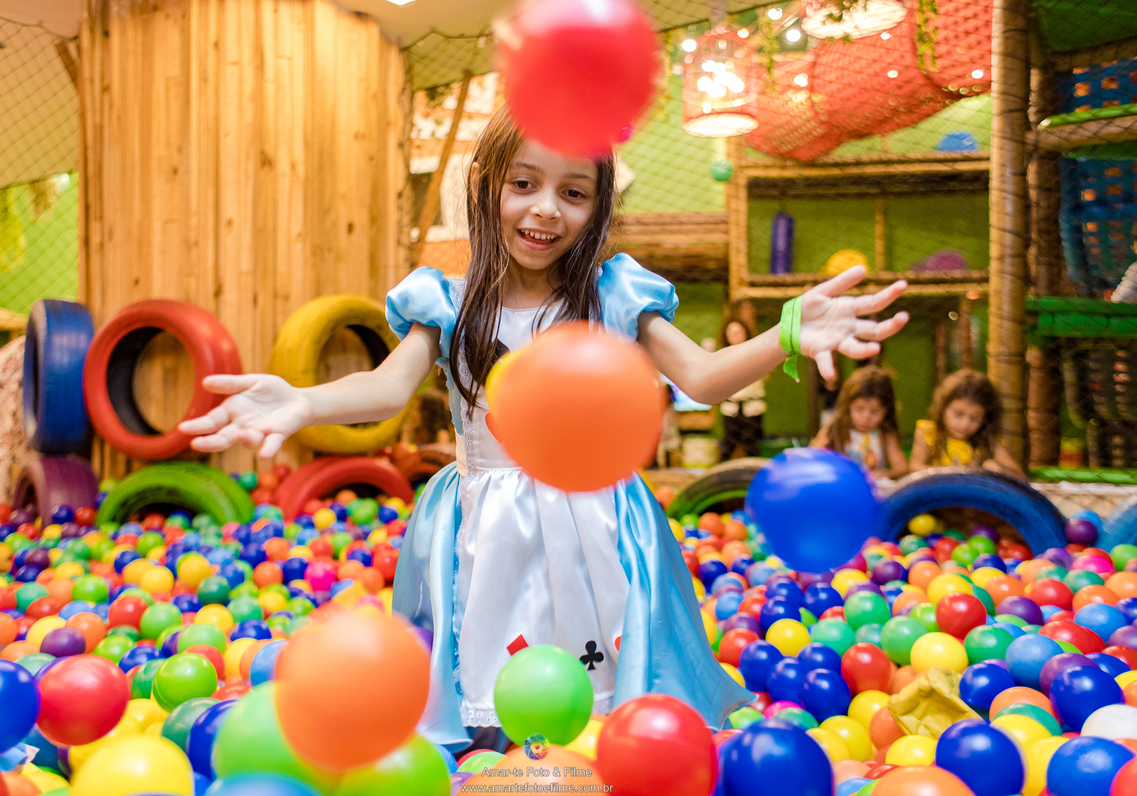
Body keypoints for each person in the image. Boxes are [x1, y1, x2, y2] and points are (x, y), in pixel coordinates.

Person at [178, 107, 909, 747]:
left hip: (595, 521)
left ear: (598, 206)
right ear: (485, 185)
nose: (546, 210)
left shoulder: (613, 295)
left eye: (573, 193)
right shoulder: (450, 302)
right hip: (487, 524)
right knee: (494, 702)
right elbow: (386, 386)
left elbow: (702, 376)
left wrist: (788, 332)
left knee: (600, 695)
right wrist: (302, 403)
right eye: (523, 184)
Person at [909, 369, 1025, 480]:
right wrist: (950, 472)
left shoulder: (989, 442)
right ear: (943, 407)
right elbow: (914, 468)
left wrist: (997, 468)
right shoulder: (929, 432)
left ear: (986, 417)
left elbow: (1021, 478)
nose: (965, 424)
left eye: (975, 418)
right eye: (958, 414)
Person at [810, 366, 908, 478]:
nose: (866, 417)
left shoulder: (885, 433)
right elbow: (813, 456)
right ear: (847, 405)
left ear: (886, 410)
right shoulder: (835, 428)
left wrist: (882, 474)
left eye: (875, 412)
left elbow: (901, 468)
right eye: (859, 409)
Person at [716, 315, 766, 461]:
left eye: (738, 332)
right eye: (731, 332)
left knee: (752, 447)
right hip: (731, 408)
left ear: (745, 333)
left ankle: (755, 473)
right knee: (728, 447)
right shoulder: (721, 356)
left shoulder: (756, 352)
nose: (735, 335)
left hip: (752, 408)